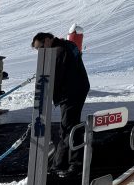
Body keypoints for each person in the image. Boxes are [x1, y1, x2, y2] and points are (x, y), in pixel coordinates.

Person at [31, 32, 90, 175]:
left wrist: (45, 94)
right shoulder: (67, 45)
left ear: (46, 40)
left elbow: (54, 77)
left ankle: (73, 164)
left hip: (71, 92)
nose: (41, 52)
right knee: (69, 126)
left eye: (40, 48)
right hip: (77, 88)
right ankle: (62, 163)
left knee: (69, 128)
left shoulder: (58, 51)